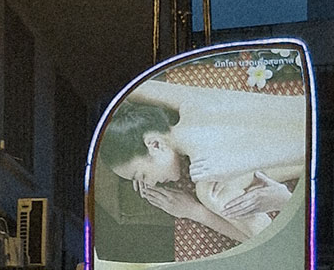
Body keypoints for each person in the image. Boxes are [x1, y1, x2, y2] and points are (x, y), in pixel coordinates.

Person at [95, 95, 305, 250]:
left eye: (141, 176)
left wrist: (195, 212)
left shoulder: (210, 183)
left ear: (155, 144)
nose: (150, 185)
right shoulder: (193, 105)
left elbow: (276, 245)